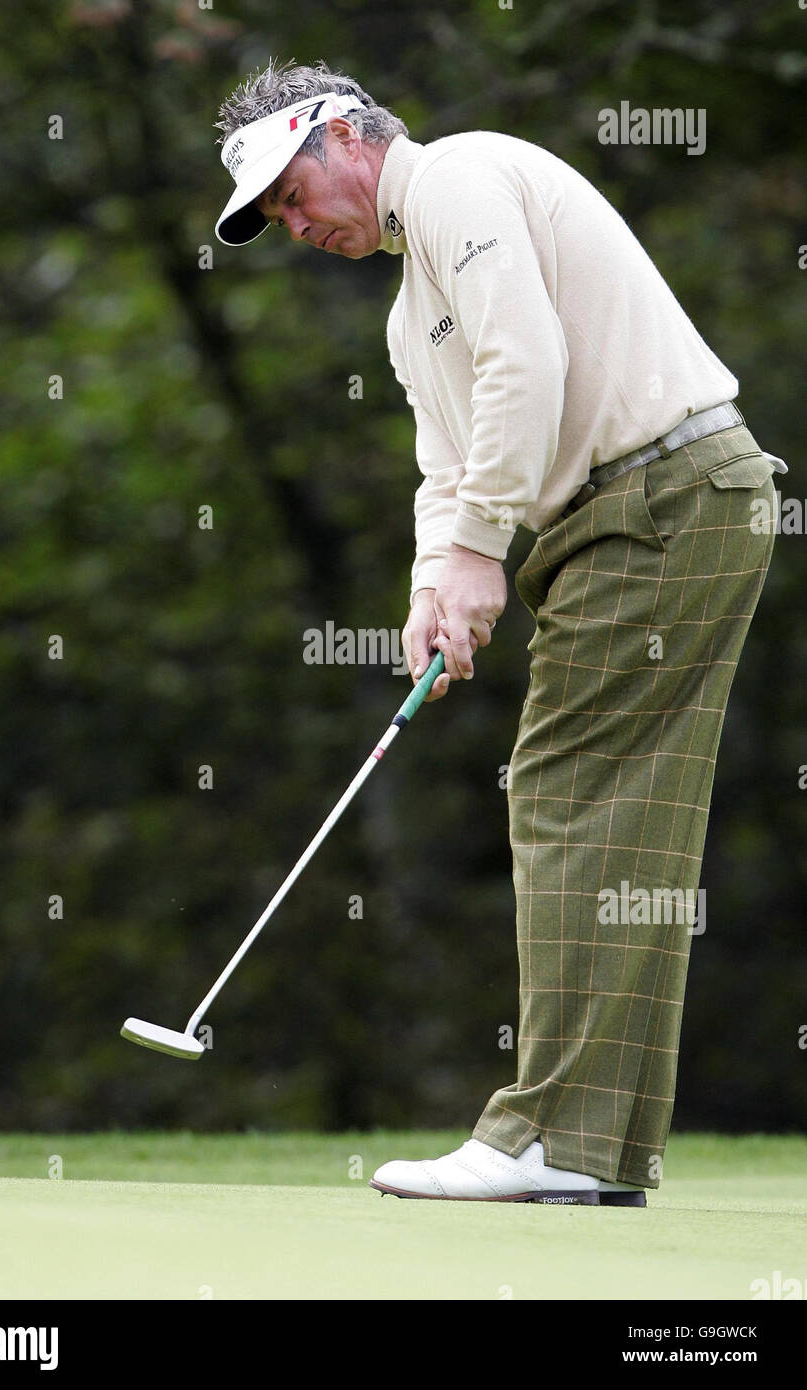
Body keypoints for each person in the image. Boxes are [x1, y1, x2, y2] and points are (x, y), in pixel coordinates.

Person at [214, 59, 781, 1205]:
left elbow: (531, 360)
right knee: (621, 826)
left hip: (661, 499)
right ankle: (593, 1149)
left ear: (346, 136)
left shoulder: (462, 178)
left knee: (566, 792)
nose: (295, 224)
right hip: (651, 511)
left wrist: (481, 548)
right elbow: (447, 463)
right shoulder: (409, 309)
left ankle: (541, 1137)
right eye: (271, 216)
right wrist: (438, 579)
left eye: (292, 192)